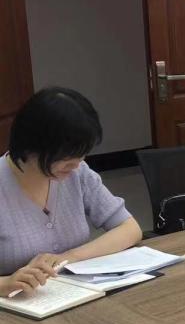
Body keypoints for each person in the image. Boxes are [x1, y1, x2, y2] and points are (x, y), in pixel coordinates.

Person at [1, 87, 143, 297]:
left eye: (82, 155)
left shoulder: (76, 173)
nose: (76, 165)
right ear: (31, 146)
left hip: (74, 298)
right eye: (67, 157)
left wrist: (70, 257)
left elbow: (129, 228)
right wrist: (5, 284)